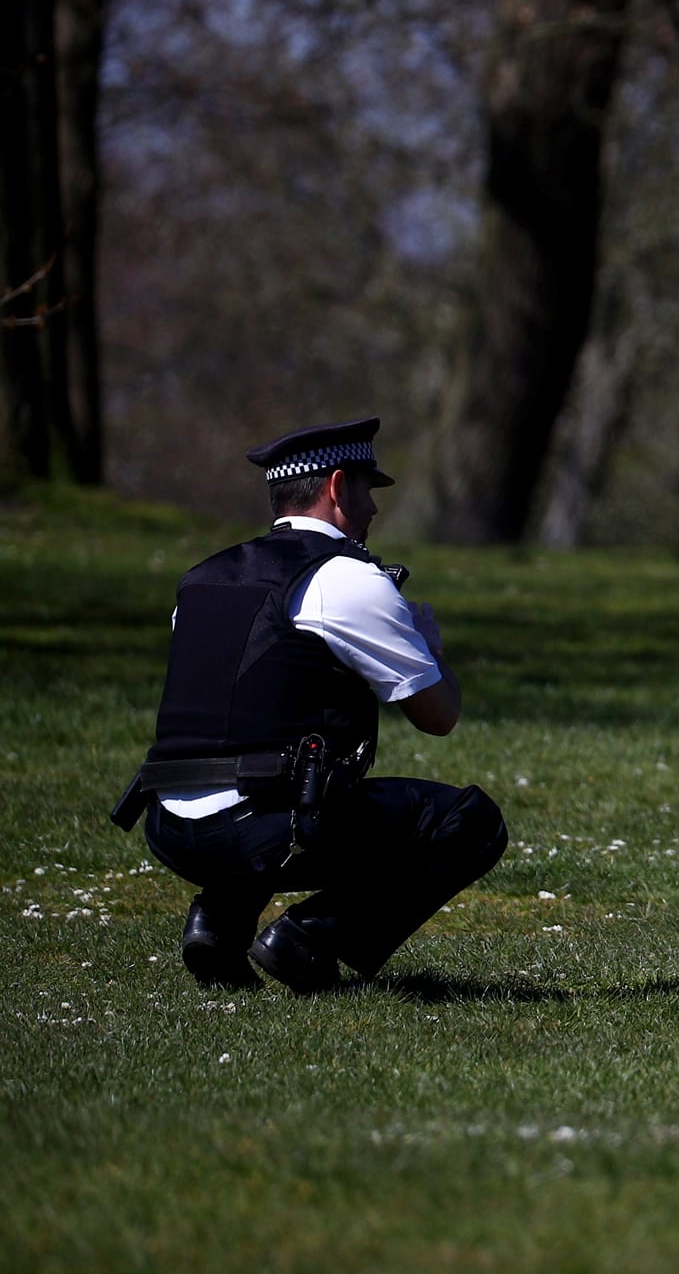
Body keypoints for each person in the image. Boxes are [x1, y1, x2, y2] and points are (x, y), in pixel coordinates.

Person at [108, 418, 506, 995]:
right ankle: (307, 936)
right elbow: (438, 716)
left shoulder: (201, 579)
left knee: (278, 782)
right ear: (339, 487)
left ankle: (219, 924)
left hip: (166, 823)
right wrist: (432, 649)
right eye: (368, 490)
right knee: (469, 822)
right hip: (264, 827)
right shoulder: (346, 579)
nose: (373, 509)